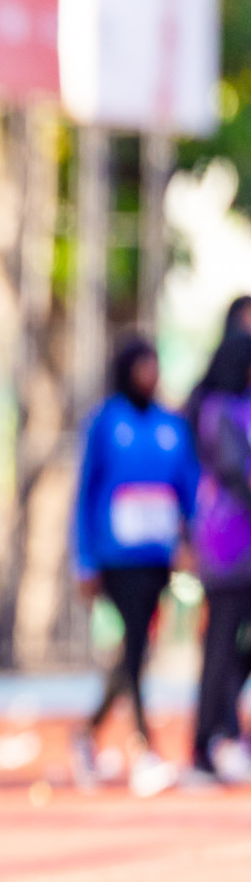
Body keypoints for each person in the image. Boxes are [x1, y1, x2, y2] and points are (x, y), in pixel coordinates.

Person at [70, 339, 196, 796]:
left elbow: (188, 488)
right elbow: (85, 492)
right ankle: (144, 750)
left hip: (157, 557)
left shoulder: (171, 426)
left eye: (155, 367)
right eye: (143, 367)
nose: (151, 375)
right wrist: (83, 559)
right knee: (135, 645)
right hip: (116, 556)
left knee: (134, 650)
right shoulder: (105, 422)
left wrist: (191, 541)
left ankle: (87, 734)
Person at [186, 330, 251, 785]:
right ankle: (203, 746)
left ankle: (226, 728)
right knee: (220, 646)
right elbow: (235, 472)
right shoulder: (220, 411)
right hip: (228, 548)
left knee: (231, 652)